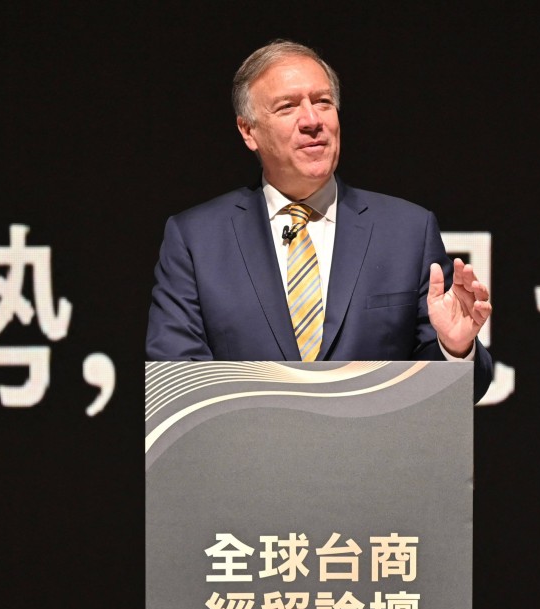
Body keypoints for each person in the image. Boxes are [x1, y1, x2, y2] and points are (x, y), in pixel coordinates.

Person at [146, 39, 494, 401]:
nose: (312, 121)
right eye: (288, 107)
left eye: (323, 102)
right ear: (248, 131)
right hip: (247, 454)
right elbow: (178, 385)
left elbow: (453, 395)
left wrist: (453, 350)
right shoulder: (196, 239)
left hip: (375, 455)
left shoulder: (407, 231)